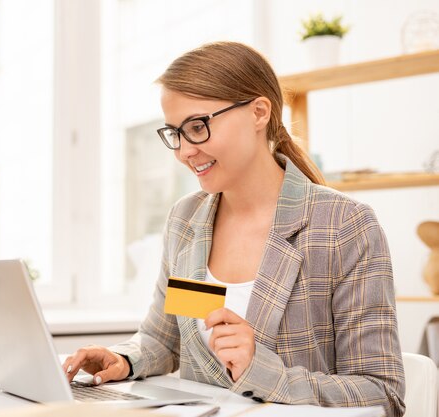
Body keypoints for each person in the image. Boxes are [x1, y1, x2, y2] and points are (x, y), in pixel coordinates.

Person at [61, 41, 405, 417]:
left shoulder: (343, 226)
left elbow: (380, 392)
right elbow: (166, 339)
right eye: (176, 132)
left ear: (259, 112)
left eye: (198, 126)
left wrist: (262, 372)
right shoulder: (187, 219)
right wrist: (122, 359)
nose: (184, 152)